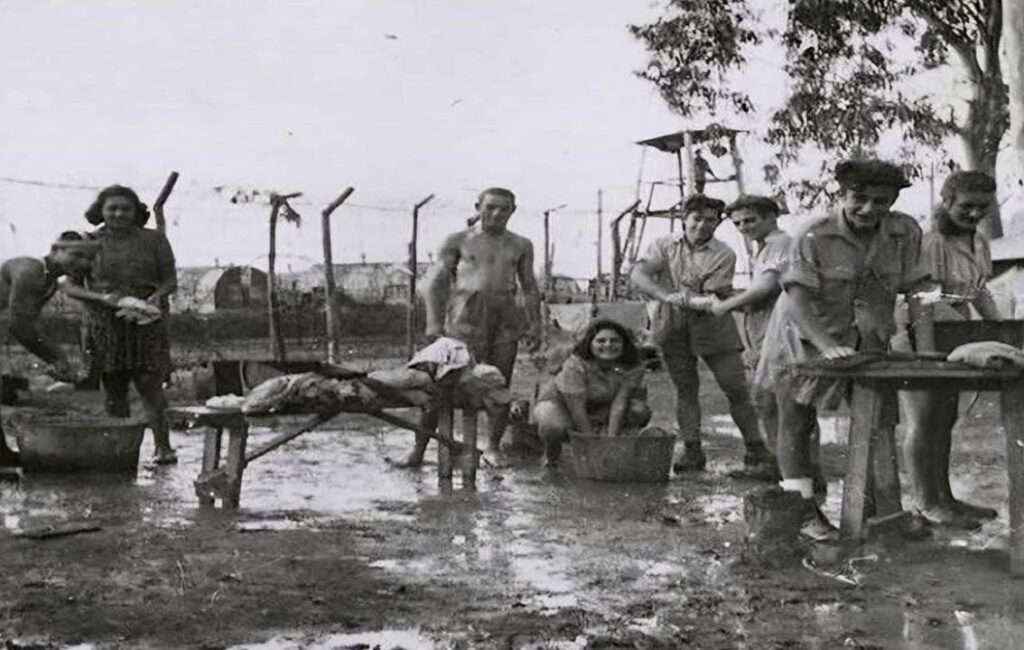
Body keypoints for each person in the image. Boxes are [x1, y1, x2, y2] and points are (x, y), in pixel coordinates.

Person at [754, 159, 935, 542]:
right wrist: (825, 345)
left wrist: (926, 346)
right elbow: (797, 295)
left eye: (881, 201)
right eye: (860, 199)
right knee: (797, 419)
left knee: (878, 420)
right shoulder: (811, 234)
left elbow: (919, 289)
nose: (869, 209)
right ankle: (803, 510)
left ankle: (883, 511)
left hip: (869, 337)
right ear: (842, 193)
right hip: (802, 335)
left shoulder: (905, 231)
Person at [396, 187, 542, 467]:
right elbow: (433, 283)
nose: (497, 213)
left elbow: (530, 287)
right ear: (478, 207)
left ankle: (493, 448)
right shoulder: (458, 240)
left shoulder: (521, 244)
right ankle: (418, 450)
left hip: (504, 318)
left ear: (513, 211)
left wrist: (535, 326)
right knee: (440, 386)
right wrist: (434, 322)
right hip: (464, 318)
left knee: (498, 384)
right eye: (490, 207)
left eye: (504, 208)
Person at [630, 194, 773, 476]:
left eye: (710, 220)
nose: (702, 226)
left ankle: (756, 449)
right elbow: (639, 274)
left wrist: (684, 297)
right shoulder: (663, 245)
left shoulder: (724, 253)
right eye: (697, 219)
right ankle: (692, 450)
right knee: (686, 390)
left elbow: (711, 295)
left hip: (712, 323)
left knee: (735, 389)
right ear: (685, 219)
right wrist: (665, 295)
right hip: (671, 324)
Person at [898, 171, 1001, 528]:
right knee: (923, 421)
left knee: (944, 420)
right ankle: (925, 503)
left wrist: (998, 330)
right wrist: (926, 349)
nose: (974, 214)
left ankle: (945, 499)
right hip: (921, 330)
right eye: (966, 207)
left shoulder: (979, 242)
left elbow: (980, 291)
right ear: (947, 202)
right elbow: (921, 298)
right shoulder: (932, 243)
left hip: (956, 333)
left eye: (982, 207)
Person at [64, 185, 179, 465]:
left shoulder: (154, 240)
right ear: (100, 212)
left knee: (150, 385)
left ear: (136, 211)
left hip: (145, 319)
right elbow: (71, 287)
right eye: (112, 208)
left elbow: (169, 281)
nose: (119, 214)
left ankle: (163, 448)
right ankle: (120, 453)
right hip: (105, 323)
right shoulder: (87, 242)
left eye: (125, 208)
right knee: (114, 388)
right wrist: (103, 297)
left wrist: (154, 298)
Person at [0, 232, 101, 465]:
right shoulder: (30, 270)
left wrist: (55, 359)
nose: (82, 263)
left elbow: (30, 326)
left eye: (88, 258)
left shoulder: (50, 283)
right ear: (56, 250)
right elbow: (20, 326)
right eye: (76, 254)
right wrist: (58, 359)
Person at [710, 195, 788, 469]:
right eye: (738, 222)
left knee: (782, 403)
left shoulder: (780, 243)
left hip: (781, 333)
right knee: (767, 402)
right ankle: (782, 465)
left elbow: (768, 286)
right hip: (763, 331)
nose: (744, 226)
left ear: (770, 217)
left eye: (750, 220)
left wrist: (727, 305)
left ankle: (796, 469)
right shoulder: (762, 248)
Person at [533, 319, 651, 466]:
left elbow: (620, 403)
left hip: (603, 405)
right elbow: (577, 410)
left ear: (624, 344)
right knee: (553, 426)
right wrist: (593, 446)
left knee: (639, 411)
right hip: (562, 403)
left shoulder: (633, 365)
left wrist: (610, 442)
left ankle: (613, 444)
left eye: (614, 341)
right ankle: (551, 455)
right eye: (601, 341)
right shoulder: (576, 364)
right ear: (590, 343)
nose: (608, 345)